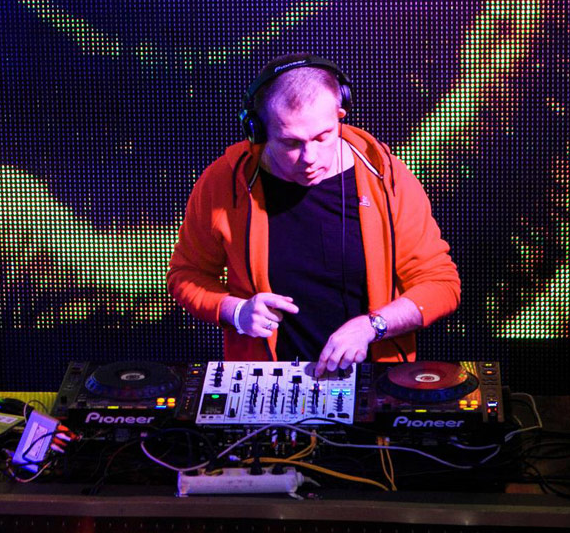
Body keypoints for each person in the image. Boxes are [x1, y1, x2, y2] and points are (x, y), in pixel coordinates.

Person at [167, 54, 460, 371]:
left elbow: (440, 284)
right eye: (290, 143)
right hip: (269, 378)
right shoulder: (226, 182)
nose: (309, 157)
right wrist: (235, 311)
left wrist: (372, 326)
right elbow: (187, 274)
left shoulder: (384, 176)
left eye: (323, 137)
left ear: (340, 116)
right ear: (258, 131)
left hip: (371, 378)